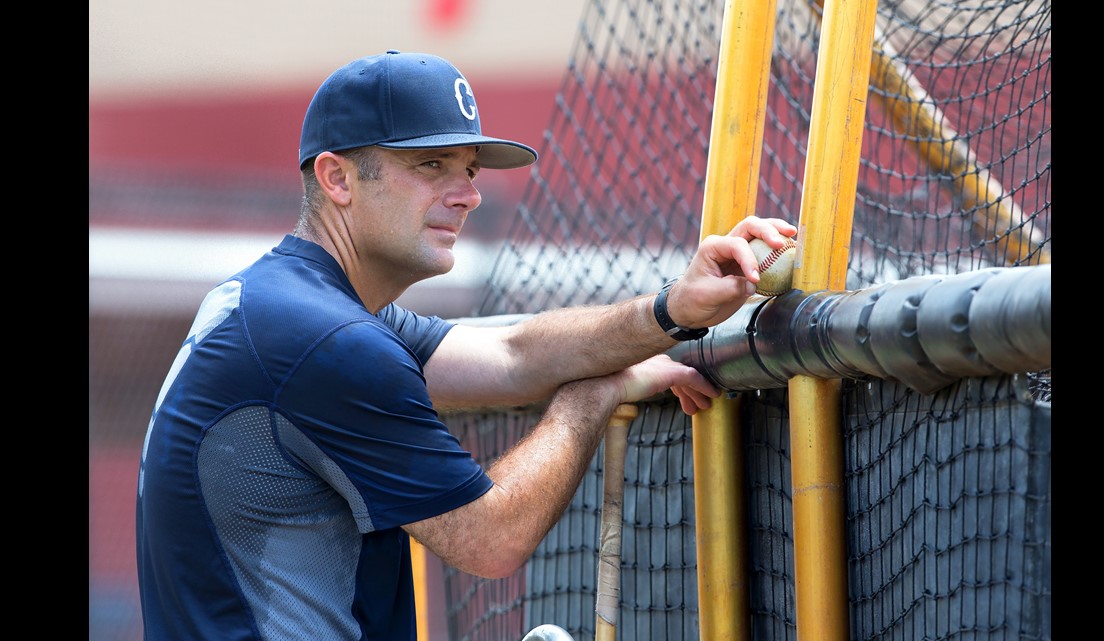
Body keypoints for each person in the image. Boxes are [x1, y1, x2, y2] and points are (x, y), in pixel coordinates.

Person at [135, 50, 798, 641]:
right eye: (432, 165)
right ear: (337, 179)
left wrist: (672, 309)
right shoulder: (326, 342)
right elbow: (491, 537)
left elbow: (512, 355)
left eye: (470, 169)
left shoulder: (286, 302)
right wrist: (591, 396)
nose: (469, 194)